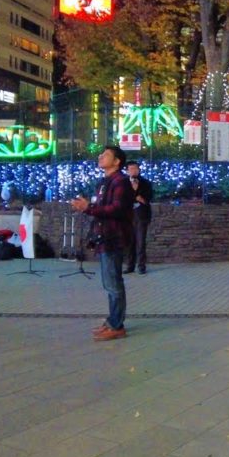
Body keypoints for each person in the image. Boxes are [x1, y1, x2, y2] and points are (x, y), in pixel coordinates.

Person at [71, 146, 134, 342]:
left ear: (117, 161)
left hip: (114, 237)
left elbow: (116, 209)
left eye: (106, 155)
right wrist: (88, 207)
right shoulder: (105, 182)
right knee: (109, 283)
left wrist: (89, 208)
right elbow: (101, 207)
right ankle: (112, 321)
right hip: (104, 236)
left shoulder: (121, 181)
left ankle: (117, 325)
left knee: (113, 283)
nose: (101, 157)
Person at [124, 161, 153, 275]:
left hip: (141, 215)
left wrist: (141, 198)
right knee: (129, 242)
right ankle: (129, 265)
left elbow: (148, 197)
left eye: (135, 169)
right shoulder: (123, 183)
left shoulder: (145, 183)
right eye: (131, 169)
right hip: (128, 215)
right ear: (127, 171)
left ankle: (141, 266)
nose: (133, 171)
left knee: (141, 242)